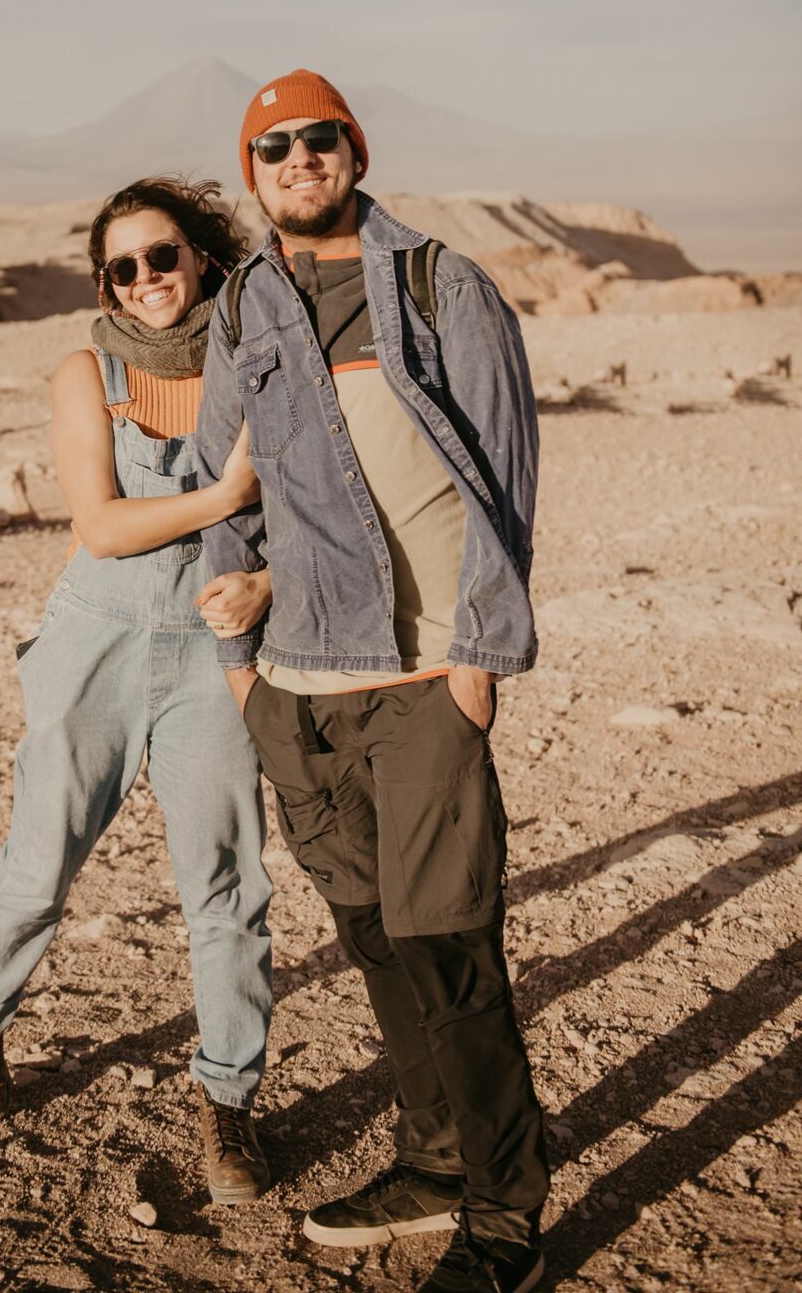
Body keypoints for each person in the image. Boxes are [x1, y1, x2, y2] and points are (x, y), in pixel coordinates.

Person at [195, 72, 550, 1290]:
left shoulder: (443, 284)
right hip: (297, 688)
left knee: (449, 948)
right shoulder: (243, 306)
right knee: (378, 940)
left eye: (320, 137)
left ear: (355, 149)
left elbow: (507, 478)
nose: (299, 158)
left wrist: (480, 659)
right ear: (254, 172)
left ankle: (504, 1220)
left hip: (424, 674)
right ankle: (435, 1160)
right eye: (274, 145)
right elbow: (229, 494)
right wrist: (242, 672)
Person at [0, 176, 274, 1206]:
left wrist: (267, 583)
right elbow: (99, 524)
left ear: (203, 257)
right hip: (97, 639)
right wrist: (227, 494)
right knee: (40, 859)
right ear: (106, 283)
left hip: (216, 649)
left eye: (162, 255)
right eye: (122, 267)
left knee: (227, 883)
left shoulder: (259, 362)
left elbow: (312, 512)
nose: (146, 279)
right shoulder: (85, 371)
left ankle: (229, 1101)